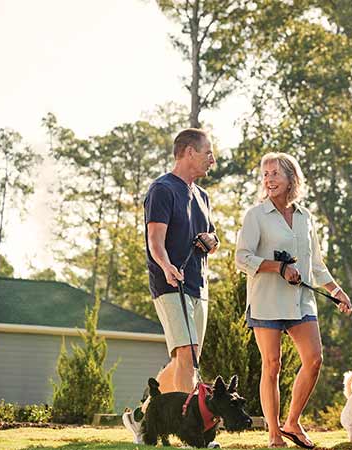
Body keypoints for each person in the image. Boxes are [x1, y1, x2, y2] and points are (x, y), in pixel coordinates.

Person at [235, 152, 352, 449]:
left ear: (291, 178)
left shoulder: (305, 216)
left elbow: (315, 263)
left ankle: (292, 421)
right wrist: (279, 268)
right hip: (267, 300)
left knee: (314, 360)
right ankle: (274, 433)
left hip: (301, 300)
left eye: (275, 173)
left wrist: (337, 291)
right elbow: (241, 258)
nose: (269, 180)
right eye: (265, 174)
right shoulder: (256, 215)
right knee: (272, 365)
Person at [122, 128, 220, 446]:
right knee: (188, 358)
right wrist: (166, 268)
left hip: (198, 285)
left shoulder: (203, 196)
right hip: (170, 285)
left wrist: (211, 240)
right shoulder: (162, 190)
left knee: (183, 359)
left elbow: (212, 237)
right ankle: (191, 432)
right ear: (188, 152)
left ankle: (142, 417)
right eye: (208, 152)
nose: (212, 159)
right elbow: (155, 239)